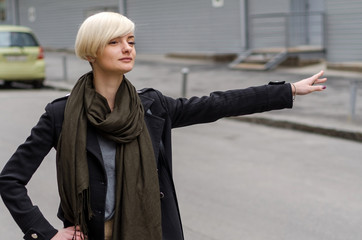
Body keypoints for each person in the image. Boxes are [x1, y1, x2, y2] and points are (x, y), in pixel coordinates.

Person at [0, 12, 327, 240]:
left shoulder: (152, 106)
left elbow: (217, 103)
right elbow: (11, 179)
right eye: (114, 42)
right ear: (91, 52)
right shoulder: (61, 115)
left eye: (130, 40)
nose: (127, 48)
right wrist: (45, 233)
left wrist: (288, 90)